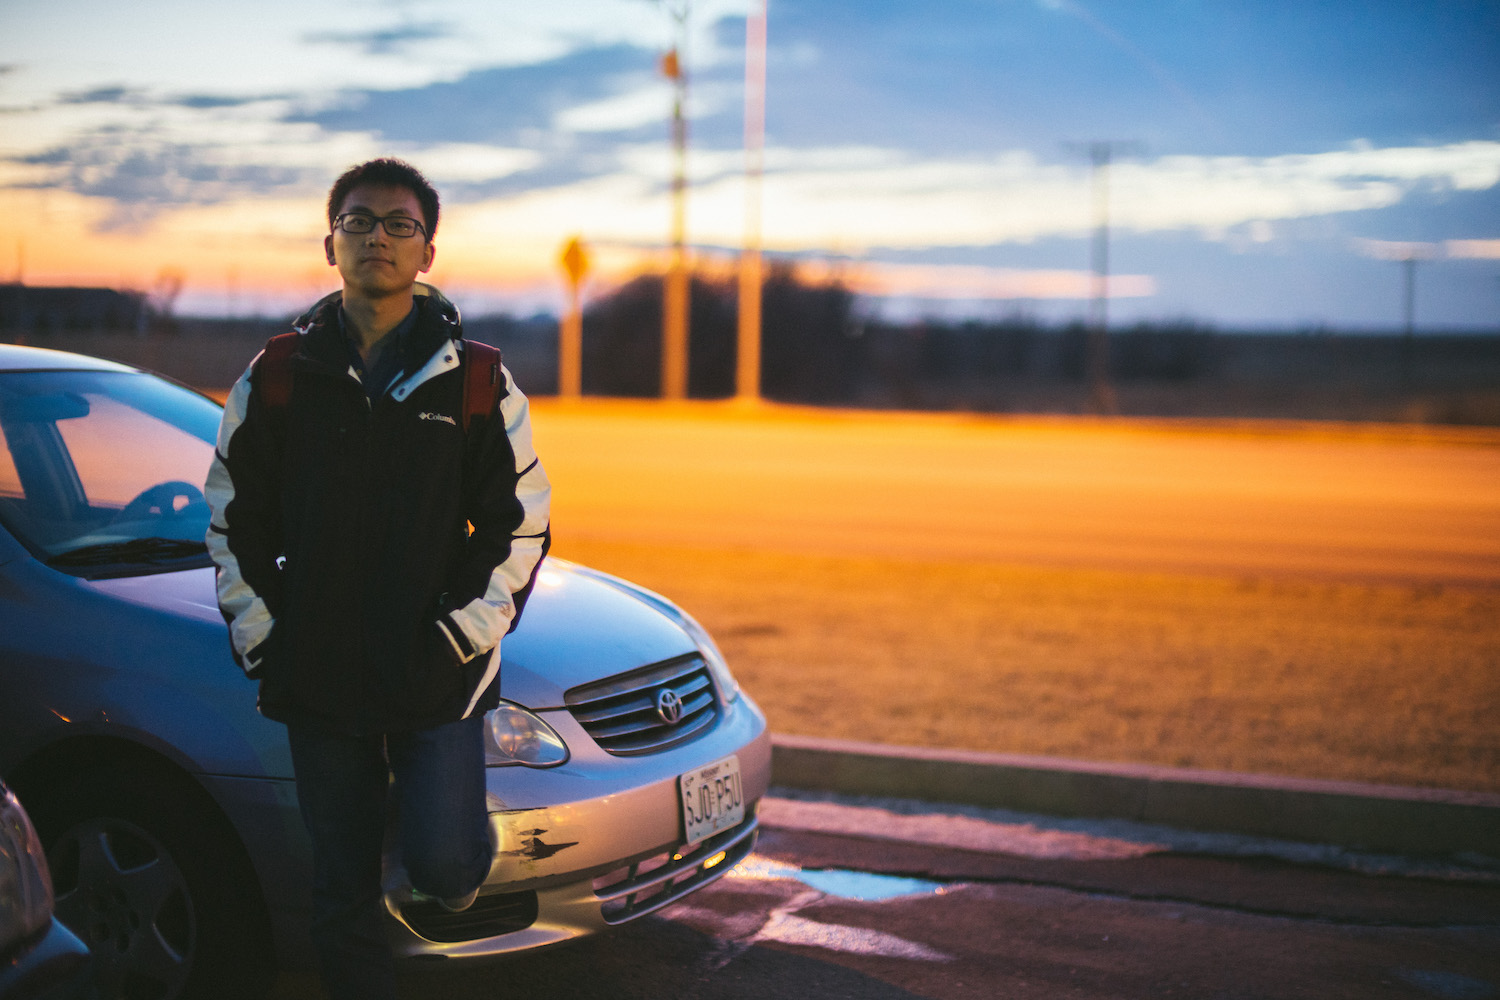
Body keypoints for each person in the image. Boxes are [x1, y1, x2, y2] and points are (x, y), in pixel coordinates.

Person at [204, 158, 551, 1000]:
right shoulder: (279, 375)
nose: (378, 238)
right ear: (332, 245)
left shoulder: (475, 377)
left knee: (446, 867)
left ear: (428, 252)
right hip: (319, 668)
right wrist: (270, 641)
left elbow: (521, 524)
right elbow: (231, 519)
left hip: (432, 666)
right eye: (359, 222)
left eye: (399, 224)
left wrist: (456, 640)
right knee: (340, 890)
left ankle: (433, 820)